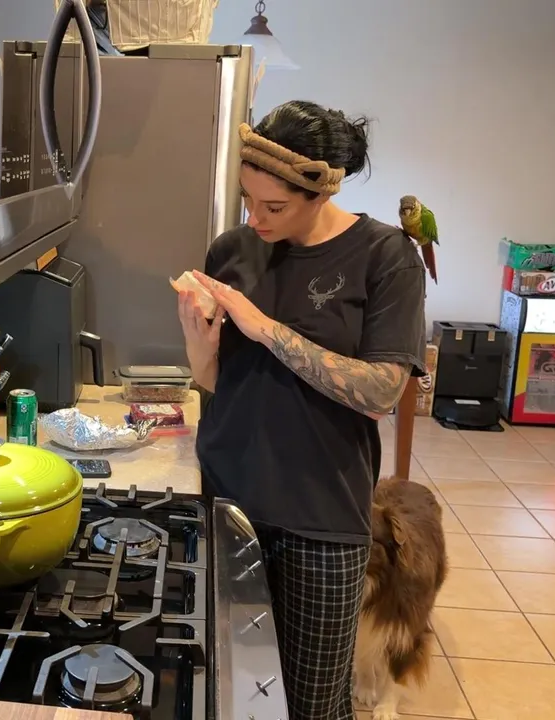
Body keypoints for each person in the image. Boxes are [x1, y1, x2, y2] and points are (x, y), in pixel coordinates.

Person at [177, 100, 426, 719]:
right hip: (228, 504)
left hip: (322, 516)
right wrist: (197, 337)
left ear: (322, 190)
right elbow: (215, 382)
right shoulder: (231, 250)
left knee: (313, 703)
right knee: (232, 693)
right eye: (247, 199)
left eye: (274, 206)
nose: (254, 218)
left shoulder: (386, 255)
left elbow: (382, 391)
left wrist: (263, 328)